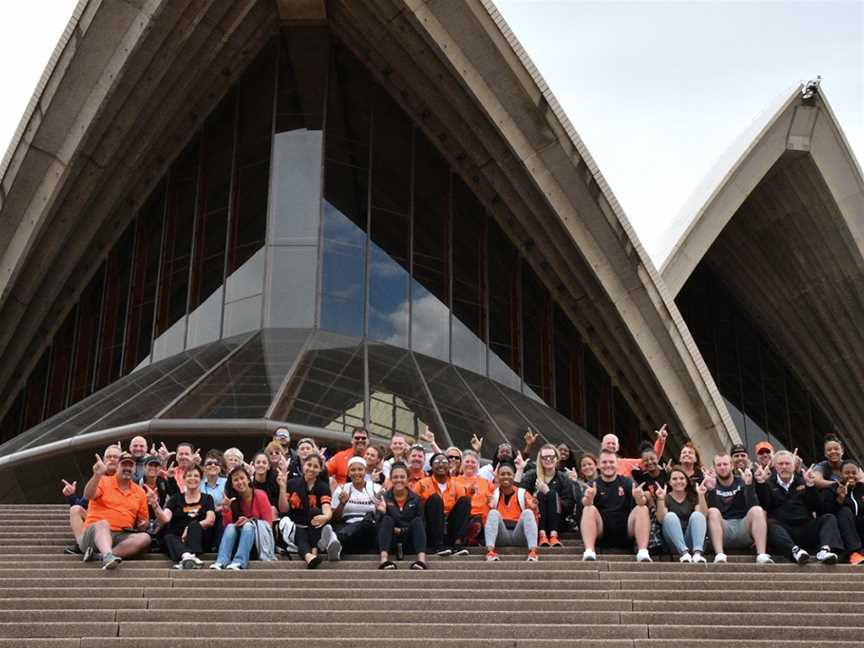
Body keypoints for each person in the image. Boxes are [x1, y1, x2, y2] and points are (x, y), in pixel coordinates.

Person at [756, 450, 843, 564]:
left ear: (793, 466)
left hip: (805, 528)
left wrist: (810, 486)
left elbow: (815, 507)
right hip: (783, 532)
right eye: (780, 464)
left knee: (828, 518)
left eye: (787, 464)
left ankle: (824, 551)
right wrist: (761, 483)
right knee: (771, 523)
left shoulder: (803, 481)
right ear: (775, 466)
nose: (784, 467)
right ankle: (794, 551)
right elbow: (764, 504)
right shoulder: (769, 484)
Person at [79, 451, 151, 569]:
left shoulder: (140, 492)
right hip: (94, 534)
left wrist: (143, 524)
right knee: (103, 523)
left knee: (145, 538)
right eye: (124, 465)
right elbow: (88, 495)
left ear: (135, 469)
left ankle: (101, 556)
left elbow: (143, 522)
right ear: (117, 466)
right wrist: (97, 475)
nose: (127, 468)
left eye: (130, 465)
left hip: (121, 535)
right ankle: (107, 555)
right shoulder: (103, 481)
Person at [579, 450, 651, 562]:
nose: (608, 465)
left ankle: (642, 551)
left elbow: (642, 501)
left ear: (617, 463)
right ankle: (589, 551)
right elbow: (584, 503)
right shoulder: (592, 484)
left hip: (626, 531)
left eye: (611, 462)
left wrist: (639, 498)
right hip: (601, 531)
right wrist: (589, 499)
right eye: (604, 462)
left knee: (642, 508)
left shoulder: (627, 482)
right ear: (598, 464)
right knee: (589, 509)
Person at [704, 453, 772, 564]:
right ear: (715, 468)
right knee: (712, 511)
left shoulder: (742, 480)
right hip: (723, 528)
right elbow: (712, 513)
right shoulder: (711, 484)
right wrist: (711, 491)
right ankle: (720, 555)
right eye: (719, 465)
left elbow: (752, 506)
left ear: (731, 466)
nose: (722, 467)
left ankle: (761, 555)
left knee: (757, 510)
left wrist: (748, 486)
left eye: (725, 464)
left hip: (743, 526)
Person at [148, 464, 216, 569]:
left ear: (201, 479)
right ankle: (187, 556)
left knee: (194, 525)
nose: (192, 478)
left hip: (199, 538)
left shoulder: (207, 498)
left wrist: (189, 528)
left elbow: (210, 520)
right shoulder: (176, 498)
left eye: (196, 476)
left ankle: (188, 556)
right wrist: (155, 506)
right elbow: (165, 518)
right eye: (189, 476)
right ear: (183, 479)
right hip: (177, 539)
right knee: (168, 536)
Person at [279, 454, 339, 568]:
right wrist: (282, 488)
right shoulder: (291, 483)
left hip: (313, 527)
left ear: (320, 469)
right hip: (295, 527)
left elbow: (326, 509)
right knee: (300, 532)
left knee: (315, 511)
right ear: (303, 465)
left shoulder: (323, 486)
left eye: (315, 466)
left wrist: (326, 517)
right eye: (309, 465)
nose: (311, 469)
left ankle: (312, 553)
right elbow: (283, 509)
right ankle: (312, 554)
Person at [211, 466, 273, 570]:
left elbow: (268, 524)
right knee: (231, 526)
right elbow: (227, 527)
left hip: (258, 542)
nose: (239, 482)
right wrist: (226, 509)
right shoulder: (231, 499)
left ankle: (239, 562)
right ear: (232, 485)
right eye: (235, 480)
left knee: (248, 526)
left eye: (242, 478)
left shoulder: (260, 495)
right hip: (237, 543)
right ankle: (221, 561)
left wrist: (250, 521)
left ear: (248, 480)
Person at [412, 452, 471, 556]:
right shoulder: (422, 484)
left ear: (449, 466)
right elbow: (413, 507)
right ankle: (438, 546)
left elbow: (461, 511)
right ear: (431, 466)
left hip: (449, 527)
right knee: (435, 499)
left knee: (465, 500)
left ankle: (457, 545)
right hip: (429, 528)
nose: (440, 464)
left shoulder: (456, 485)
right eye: (437, 462)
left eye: (444, 462)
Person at [520, 444, 577, 547]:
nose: (548, 459)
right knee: (541, 494)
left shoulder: (563, 478)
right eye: (544, 457)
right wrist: (533, 500)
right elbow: (520, 496)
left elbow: (569, 506)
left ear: (556, 459)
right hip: (536, 519)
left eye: (551, 457)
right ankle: (542, 536)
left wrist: (549, 494)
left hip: (558, 520)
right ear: (540, 460)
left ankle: (553, 536)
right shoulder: (532, 475)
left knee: (550, 493)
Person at [377, 462, 428, 570]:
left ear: (408, 479)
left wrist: (401, 530)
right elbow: (379, 525)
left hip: (410, 540)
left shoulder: (415, 499)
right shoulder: (384, 498)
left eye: (402, 477)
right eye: (395, 477)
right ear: (390, 479)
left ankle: (421, 561)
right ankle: (384, 560)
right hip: (390, 541)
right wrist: (382, 512)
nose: (399, 480)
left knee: (417, 521)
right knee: (386, 519)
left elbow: (421, 524)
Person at [485, 461, 539, 562]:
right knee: (493, 513)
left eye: (509, 474)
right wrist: (490, 507)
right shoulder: (492, 495)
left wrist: (534, 508)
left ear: (514, 476)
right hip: (501, 535)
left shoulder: (523, 493)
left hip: (519, 534)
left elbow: (533, 518)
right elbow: (487, 522)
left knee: (528, 512)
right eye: (502, 474)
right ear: (498, 477)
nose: (506, 477)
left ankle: (533, 552)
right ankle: (490, 552)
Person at [331, 456, 383, 554]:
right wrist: (342, 504)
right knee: (338, 528)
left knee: (366, 523)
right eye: (353, 470)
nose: (356, 473)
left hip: (368, 529)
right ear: (348, 472)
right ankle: (337, 541)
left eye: (360, 469)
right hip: (346, 526)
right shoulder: (341, 489)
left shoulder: (376, 488)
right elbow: (334, 519)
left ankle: (335, 539)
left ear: (365, 471)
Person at [655, 466, 708, 562]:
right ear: (670, 482)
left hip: (690, 540)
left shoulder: (693, 496)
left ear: (687, 481)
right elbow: (661, 519)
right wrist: (661, 499)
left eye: (682, 478)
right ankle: (684, 554)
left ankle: (697, 554)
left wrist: (701, 495)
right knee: (670, 516)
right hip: (673, 541)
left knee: (697, 515)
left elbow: (703, 516)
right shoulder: (666, 497)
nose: (678, 481)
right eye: (674, 479)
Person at [825, 460, 864, 565]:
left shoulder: (862, 488)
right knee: (845, 511)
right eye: (847, 473)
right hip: (842, 532)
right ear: (841, 474)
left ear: (859, 474)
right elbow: (825, 513)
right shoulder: (833, 488)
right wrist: (840, 499)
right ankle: (854, 552)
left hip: (860, 530)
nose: (851, 476)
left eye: (854, 473)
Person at [454, 450, 493, 546]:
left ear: (478, 465)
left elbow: (493, 498)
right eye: (467, 462)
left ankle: (470, 539)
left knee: (478, 522)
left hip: (481, 519)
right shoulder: (453, 480)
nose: (470, 464)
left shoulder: (486, 482)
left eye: (473, 462)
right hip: (461, 518)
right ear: (462, 464)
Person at [600, 423, 667, 477]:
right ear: (602, 445)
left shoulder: (627, 463)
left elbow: (650, 460)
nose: (611, 445)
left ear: (618, 447)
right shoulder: (592, 465)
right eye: (608, 443)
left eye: (613, 443)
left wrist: (660, 442)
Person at [250, 451, 279, 517]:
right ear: (253, 466)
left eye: (264, 462)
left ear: (268, 466)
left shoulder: (275, 482)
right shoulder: (249, 482)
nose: (261, 465)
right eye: (258, 462)